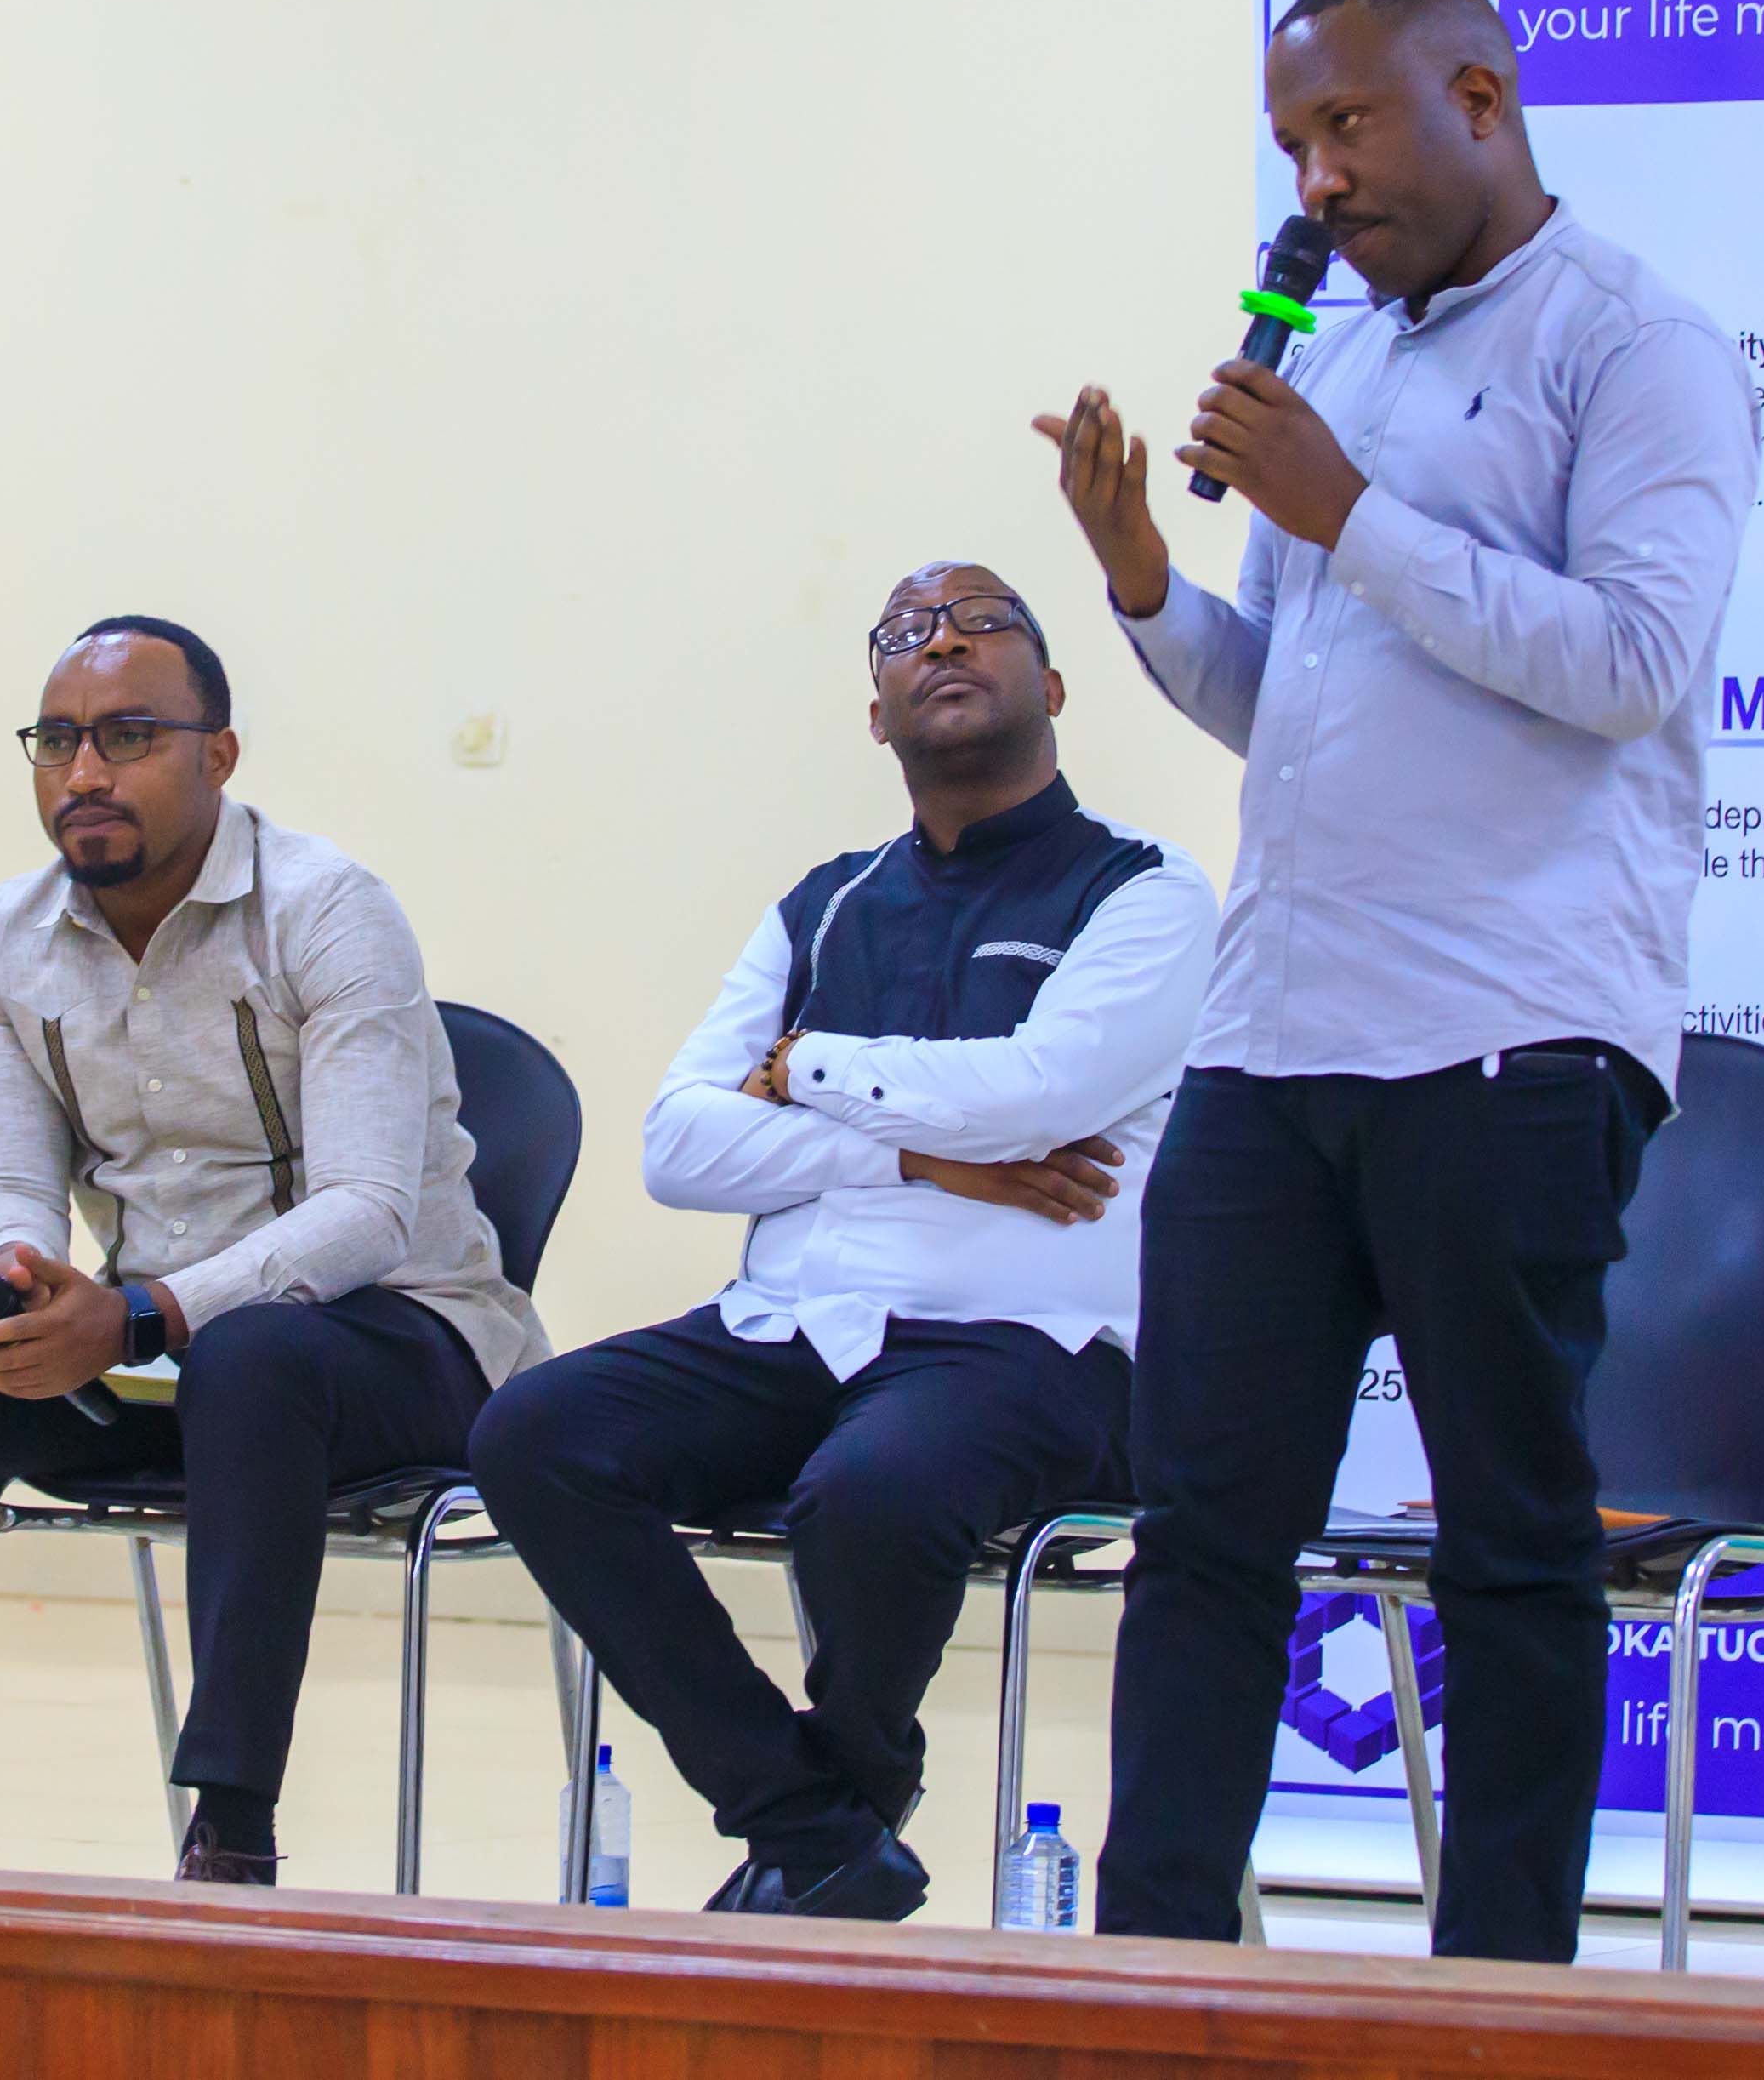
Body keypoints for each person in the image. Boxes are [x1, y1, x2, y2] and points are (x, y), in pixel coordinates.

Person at [1033, 0, 1757, 1957]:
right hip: (1279, 1040)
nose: (1319, 182)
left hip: (1511, 1032)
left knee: (1512, 1545)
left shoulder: (1640, 349)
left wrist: (1347, 513)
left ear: (1481, 99)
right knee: (1203, 1531)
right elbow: (1280, 702)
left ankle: (1498, 2004)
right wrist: (1144, 580)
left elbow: (1631, 662)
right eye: (1292, 144)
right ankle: (1157, 1977)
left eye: (1347, 127)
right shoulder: (1335, 373)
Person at [469, 562, 1209, 1919]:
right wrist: (919, 1153)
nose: (945, 643)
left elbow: (1042, 1091)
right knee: (534, 1433)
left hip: (1025, 1344)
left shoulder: (1145, 893)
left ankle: (841, 1808)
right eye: (907, 632)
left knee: (870, 1495)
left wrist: (807, 1068)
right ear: (877, 716)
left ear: (1052, 686)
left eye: (983, 621)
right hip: (794, 1324)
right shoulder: (823, 904)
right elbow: (678, 1146)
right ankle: (806, 1823)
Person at [0, 615, 546, 1883]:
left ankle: (231, 1836)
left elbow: (368, 1209)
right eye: (58, 742)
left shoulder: (329, 910)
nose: (84, 773)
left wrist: (142, 1316)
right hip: (156, 1358)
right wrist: (16, 1283)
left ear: (219, 755)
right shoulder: (5, 937)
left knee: (254, 1358)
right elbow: (6, 1178)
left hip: (398, 1343)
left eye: (129, 738)